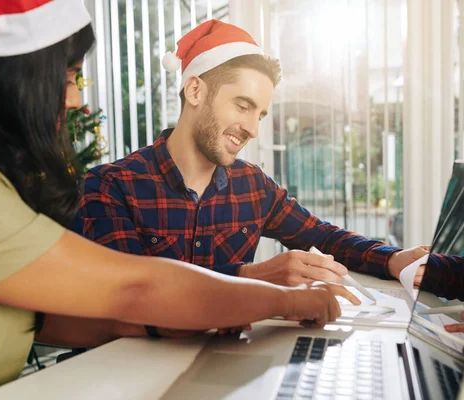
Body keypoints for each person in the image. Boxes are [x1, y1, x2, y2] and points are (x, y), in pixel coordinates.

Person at [0, 2, 360, 400]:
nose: (77, 99)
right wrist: (288, 301)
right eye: (67, 77)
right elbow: (135, 288)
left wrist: (199, 314)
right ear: (12, 77)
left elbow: (50, 318)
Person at [76, 18, 464, 316]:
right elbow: (134, 294)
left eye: (261, 113)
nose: (252, 129)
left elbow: (324, 238)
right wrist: (257, 279)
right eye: (243, 105)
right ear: (194, 90)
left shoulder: (253, 186)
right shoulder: (111, 186)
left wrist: (392, 259)